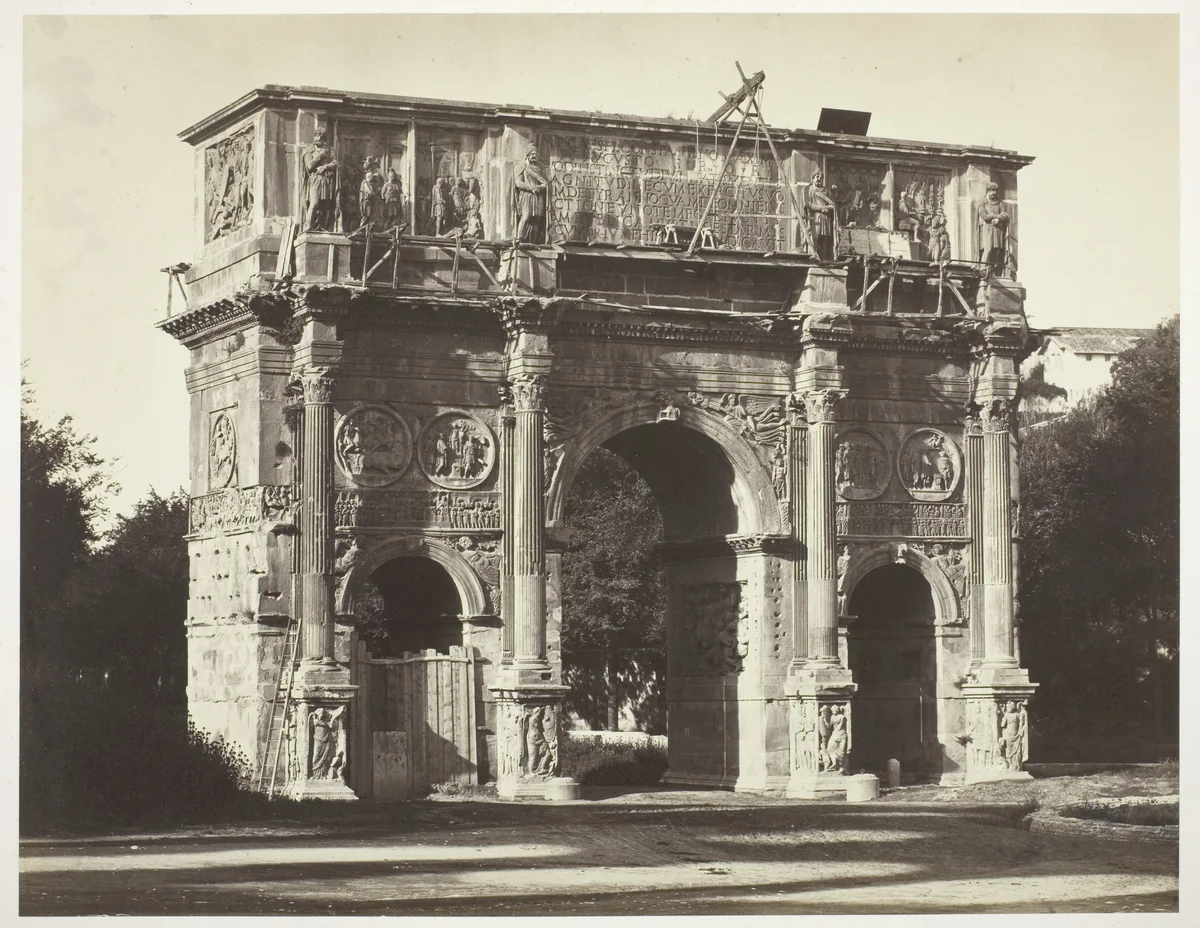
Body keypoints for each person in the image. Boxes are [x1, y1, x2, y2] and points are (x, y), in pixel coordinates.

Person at [302, 128, 339, 232]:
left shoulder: (330, 151)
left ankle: (323, 227)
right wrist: (321, 155)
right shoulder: (309, 151)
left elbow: (336, 164)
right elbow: (309, 165)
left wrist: (325, 166)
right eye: (315, 137)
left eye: (319, 137)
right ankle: (309, 226)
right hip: (315, 180)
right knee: (314, 203)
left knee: (326, 206)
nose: (316, 139)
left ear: (324, 139)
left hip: (327, 180)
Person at [514, 147, 549, 244]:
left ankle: (533, 243)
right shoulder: (521, 166)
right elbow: (518, 183)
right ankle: (519, 240)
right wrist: (531, 188)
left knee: (537, 219)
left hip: (538, 196)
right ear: (528, 154)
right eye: (532, 154)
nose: (534, 156)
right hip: (527, 195)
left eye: (536, 154)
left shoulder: (539, 169)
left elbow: (545, 183)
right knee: (525, 217)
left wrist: (540, 187)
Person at [977, 181, 1010, 274]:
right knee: (988, 250)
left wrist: (998, 219)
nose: (994, 193)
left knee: (997, 251)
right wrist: (996, 216)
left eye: (995, 190)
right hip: (988, 230)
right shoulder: (982, 202)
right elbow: (984, 216)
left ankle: (994, 272)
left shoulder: (999, 202)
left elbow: (1005, 214)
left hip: (998, 230)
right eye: (992, 190)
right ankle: (982, 270)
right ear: (988, 191)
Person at [804, 171, 837, 261]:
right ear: (813, 179)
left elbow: (832, 204)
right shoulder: (808, 189)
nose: (819, 179)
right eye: (817, 177)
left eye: (821, 177)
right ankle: (812, 256)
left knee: (825, 239)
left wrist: (829, 208)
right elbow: (808, 204)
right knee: (814, 237)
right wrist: (821, 208)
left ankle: (823, 258)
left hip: (826, 218)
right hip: (815, 217)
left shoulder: (826, 191)